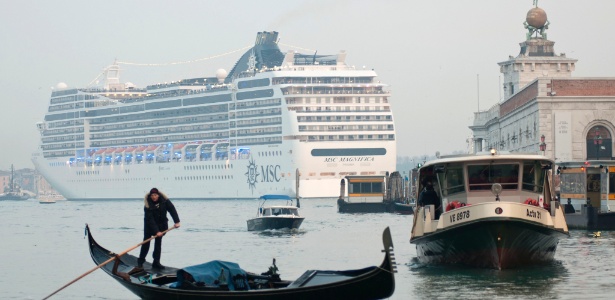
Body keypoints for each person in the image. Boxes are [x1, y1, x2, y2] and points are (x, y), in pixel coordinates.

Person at [137, 188, 181, 269]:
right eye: (152, 195)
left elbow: (172, 209)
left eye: (155, 195)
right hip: (149, 226)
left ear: (158, 195)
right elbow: (150, 219)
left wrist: (177, 221)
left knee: (158, 243)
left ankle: (156, 262)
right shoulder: (147, 205)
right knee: (146, 243)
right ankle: (140, 262)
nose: (154, 197)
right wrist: (156, 231)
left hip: (161, 225)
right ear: (150, 196)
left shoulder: (164, 201)